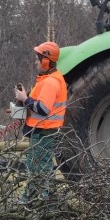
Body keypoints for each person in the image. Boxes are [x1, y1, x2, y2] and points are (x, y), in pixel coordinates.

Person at [14, 41, 68, 205]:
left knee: (39, 168)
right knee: (39, 166)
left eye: (38, 59)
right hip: (43, 131)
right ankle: (37, 198)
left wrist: (24, 99)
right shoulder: (48, 79)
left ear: (46, 61)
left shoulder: (50, 82)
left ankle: (42, 201)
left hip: (44, 132)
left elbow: (43, 109)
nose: (36, 62)